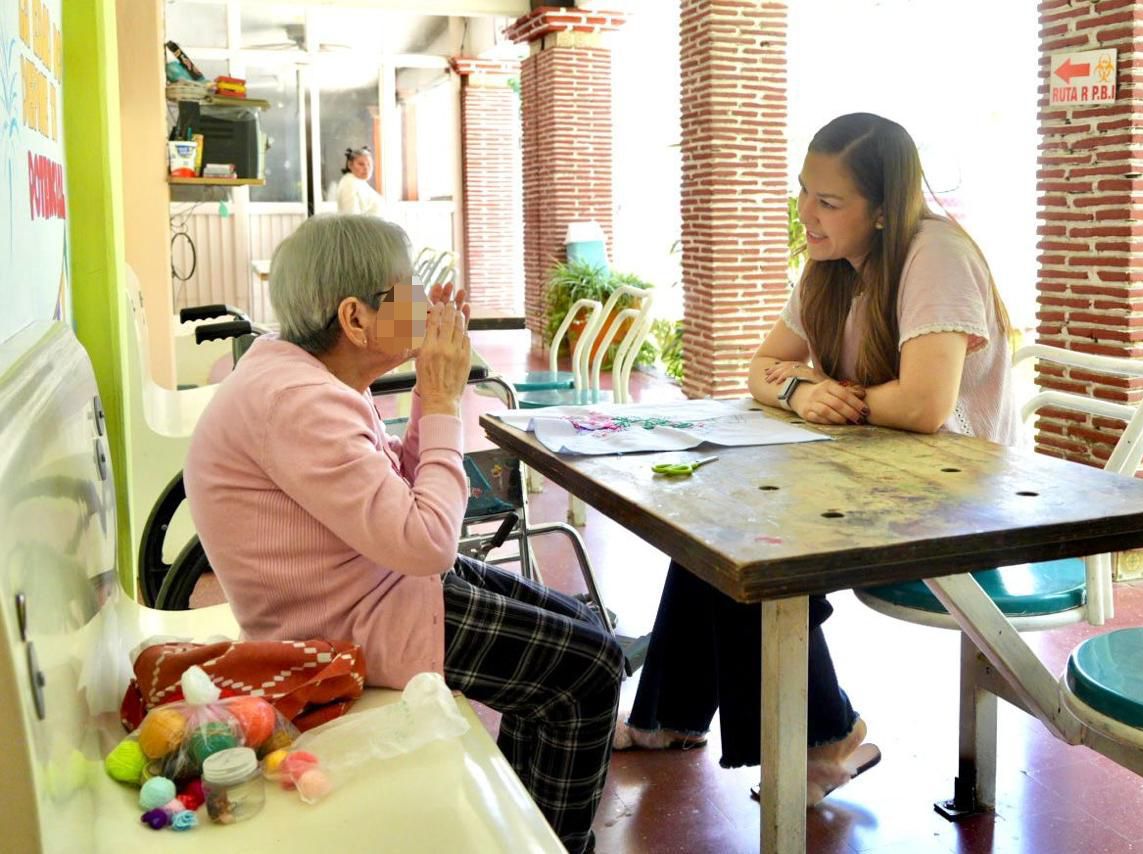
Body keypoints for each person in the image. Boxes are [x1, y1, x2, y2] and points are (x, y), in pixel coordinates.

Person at [614, 112, 1020, 806]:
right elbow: (763, 366)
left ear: (885, 209)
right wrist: (803, 391)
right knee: (714, 514)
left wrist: (825, 396)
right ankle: (673, 717)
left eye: (829, 202)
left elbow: (925, 404)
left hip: (956, 497)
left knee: (754, 540)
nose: (807, 213)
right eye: (805, 191)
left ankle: (823, 739)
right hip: (872, 471)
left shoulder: (937, 254)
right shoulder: (831, 267)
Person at [184, 214, 622, 854]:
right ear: (355, 319)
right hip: (347, 622)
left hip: (374, 584)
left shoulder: (306, 377)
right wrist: (443, 399)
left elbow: (406, 498)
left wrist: (429, 392)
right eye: (408, 288)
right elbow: (427, 542)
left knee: (585, 628)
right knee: (590, 669)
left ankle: (527, 829)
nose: (424, 302)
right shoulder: (300, 402)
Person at [334, 146, 384, 216]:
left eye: (369, 164)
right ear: (350, 165)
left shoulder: (360, 182)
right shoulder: (349, 182)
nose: (366, 168)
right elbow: (350, 217)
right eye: (361, 164)